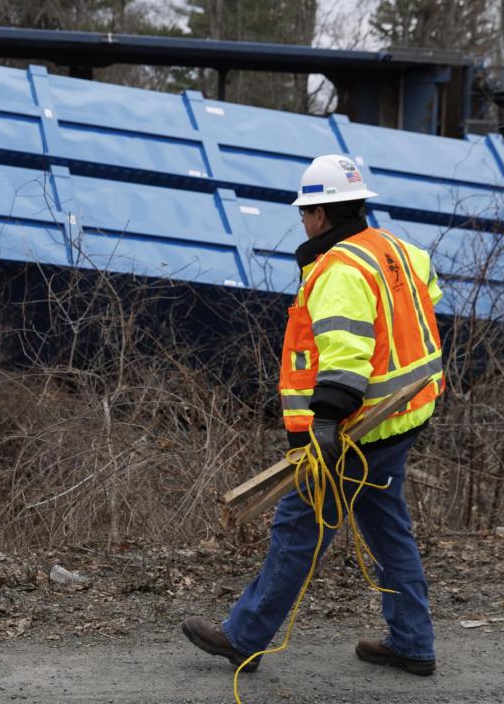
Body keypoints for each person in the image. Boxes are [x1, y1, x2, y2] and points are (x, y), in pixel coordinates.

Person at [182, 155, 444, 676]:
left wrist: (325, 422)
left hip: (357, 430)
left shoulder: (339, 270)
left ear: (321, 215)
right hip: (405, 415)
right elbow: (427, 295)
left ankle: (244, 637)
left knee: (299, 527)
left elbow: (346, 354)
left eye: (305, 212)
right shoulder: (397, 249)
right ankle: (413, 643)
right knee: (388, 529)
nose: (302, 221)